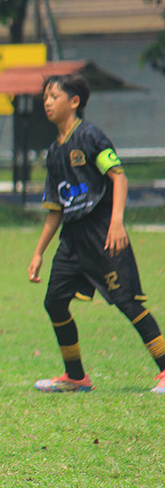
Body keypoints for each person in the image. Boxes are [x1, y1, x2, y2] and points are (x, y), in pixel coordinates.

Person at [28, 73, 165, 393]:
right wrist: (38, 252)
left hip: (103, 236)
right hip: (72, 242)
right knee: (54, 302)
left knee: (128, 303)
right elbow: (55, 208)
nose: (47, 102)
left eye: (54, 96)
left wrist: (116, 221)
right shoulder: (53, 152)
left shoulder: (91, 138)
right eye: (45, 97)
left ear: (74, 102)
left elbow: (119, 177)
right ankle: (76, 377)